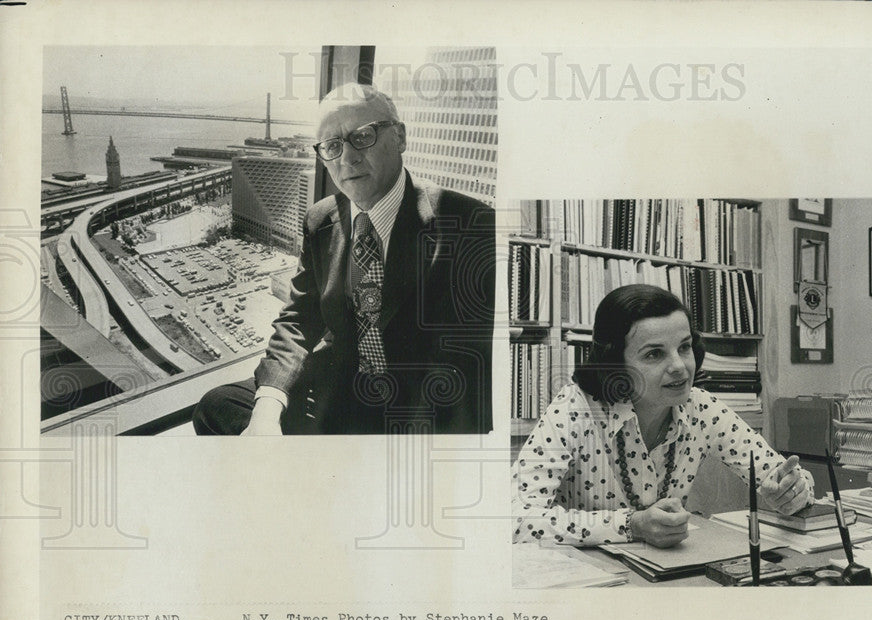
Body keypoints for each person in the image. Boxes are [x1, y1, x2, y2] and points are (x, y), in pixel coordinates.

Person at [193, 83, 495, 435]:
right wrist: (268, 405)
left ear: (399, 137)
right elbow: (299, 319)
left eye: (363, 136)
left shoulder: (469, 223)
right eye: (332, 146)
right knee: (217, 407)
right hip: (335, 387)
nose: (347, 158)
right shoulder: (321, 219)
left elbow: (473, 360)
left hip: (414, 407)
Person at [512, 285, 814, 548]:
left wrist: (791, 492)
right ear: (615, 364)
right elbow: (512, 518)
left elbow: (782, 476)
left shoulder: (703, 408)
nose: (680, 367)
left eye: (684, 347)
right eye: (654, 354)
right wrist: (631, 526)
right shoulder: (574, 408)